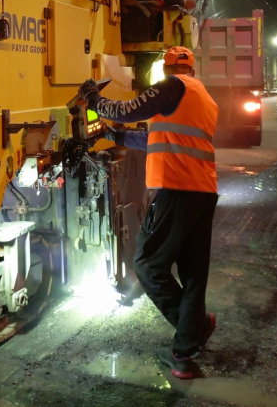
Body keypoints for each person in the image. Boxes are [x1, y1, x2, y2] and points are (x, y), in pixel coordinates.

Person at [78, 46, 219, 379]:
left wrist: (94, 99)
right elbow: (161, 139)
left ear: (167, 68)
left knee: (147, 264)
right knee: (194, 272)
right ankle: (184, 352)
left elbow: (128, 108)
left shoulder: (173, 86)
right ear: (192, 69)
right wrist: (118, 136)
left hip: (176, 191)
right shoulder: (203, 98)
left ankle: (191, 331)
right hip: (202, 192)